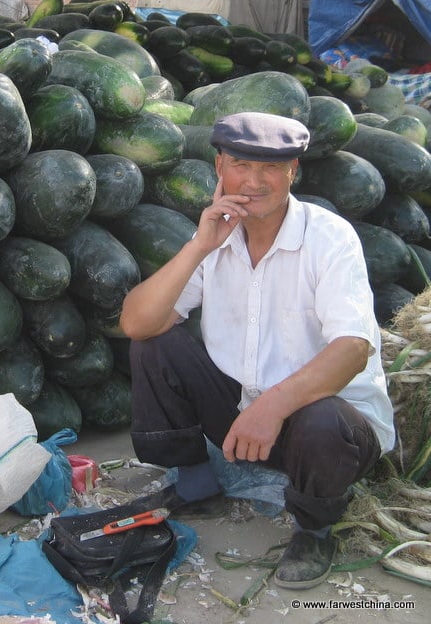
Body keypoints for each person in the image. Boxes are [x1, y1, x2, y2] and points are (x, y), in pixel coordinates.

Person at [119, 111, 395, 590]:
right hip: (244, 416)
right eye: (242, 164)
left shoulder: (329, 238)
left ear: (293, 172)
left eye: (271, 168)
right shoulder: (216, 235)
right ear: (219, 166)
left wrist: (273, 405)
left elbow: (353, 348)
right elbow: (136, 322)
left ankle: (313, 529)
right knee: (155, 344)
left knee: (323, 417)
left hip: (324, 430)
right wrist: (200, 246)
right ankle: (197, 483)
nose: (254, 181)